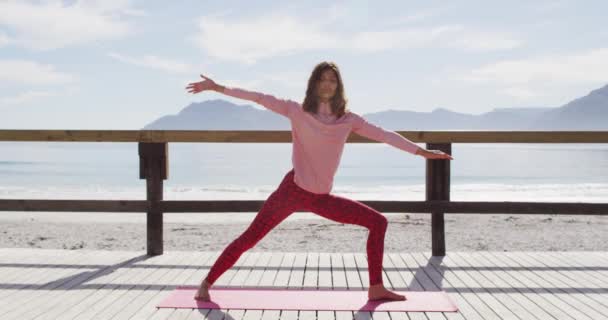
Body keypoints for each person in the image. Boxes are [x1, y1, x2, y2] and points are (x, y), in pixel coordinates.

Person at [185, 61, 453, 302]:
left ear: (338, 87)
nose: (327, 84)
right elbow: (258, 97)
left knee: (378, 222)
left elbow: (385, 135)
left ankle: (375, 287)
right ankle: (206, 284)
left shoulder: (348, 120)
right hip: (292, 191)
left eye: (332, 80)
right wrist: (217, 87)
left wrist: (423, 152)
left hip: (322, 198)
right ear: (314, 84)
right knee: (250, 237)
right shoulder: (296, 111)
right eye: (322, 79)